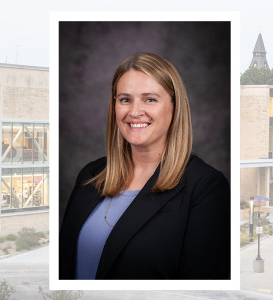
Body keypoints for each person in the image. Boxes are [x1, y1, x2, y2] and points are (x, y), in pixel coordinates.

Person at [60, 52, 230, 280]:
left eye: (150, 99)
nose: (135, 111)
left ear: (174, 107)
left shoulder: (206, 188)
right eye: (125, 99)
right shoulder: (91, 175)